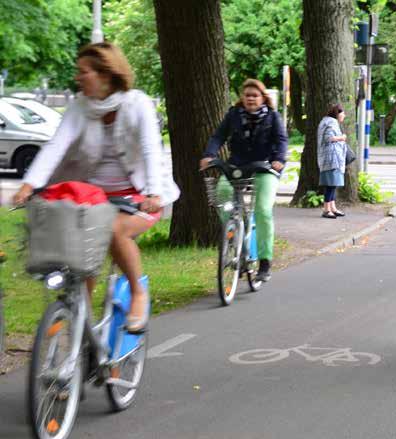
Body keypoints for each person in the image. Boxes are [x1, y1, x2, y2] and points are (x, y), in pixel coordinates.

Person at [13, 42, 180, 333]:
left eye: (83, 72)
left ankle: (138, 293)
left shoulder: (136, 103)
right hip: (91, 199)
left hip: (138, 197)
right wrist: (30, 184)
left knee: (115, 231)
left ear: (106, 74)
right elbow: (57, 145)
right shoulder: (80, 106)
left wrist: (154, 193)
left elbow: (151, 148)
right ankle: (85, 337)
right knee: (79, 262)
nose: (78, 78)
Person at [201, 78, 288, 283]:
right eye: (247, 95)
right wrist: (209, 154)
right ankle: (235, 240)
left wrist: (279, 159)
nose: (250, 99)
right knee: (221, 195)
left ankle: (265, 261)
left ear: (262, 98)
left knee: (263, 210)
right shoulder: (234, 115)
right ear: (242, 98)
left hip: (264, 167)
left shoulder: (272, 117)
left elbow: (281, 140)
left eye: (254, 95)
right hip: (237, 166)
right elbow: (218, 136)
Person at [317, 104, 347, 219]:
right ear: (337, 113)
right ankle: (326, 209)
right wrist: (342, 137)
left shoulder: (326, 121)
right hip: (332, 159)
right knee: (331, 185)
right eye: (342, 113)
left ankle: (332, 208)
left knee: (333, 184)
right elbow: (328, 138)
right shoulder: (331, 122)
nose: (344, 115)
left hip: (329, 158)